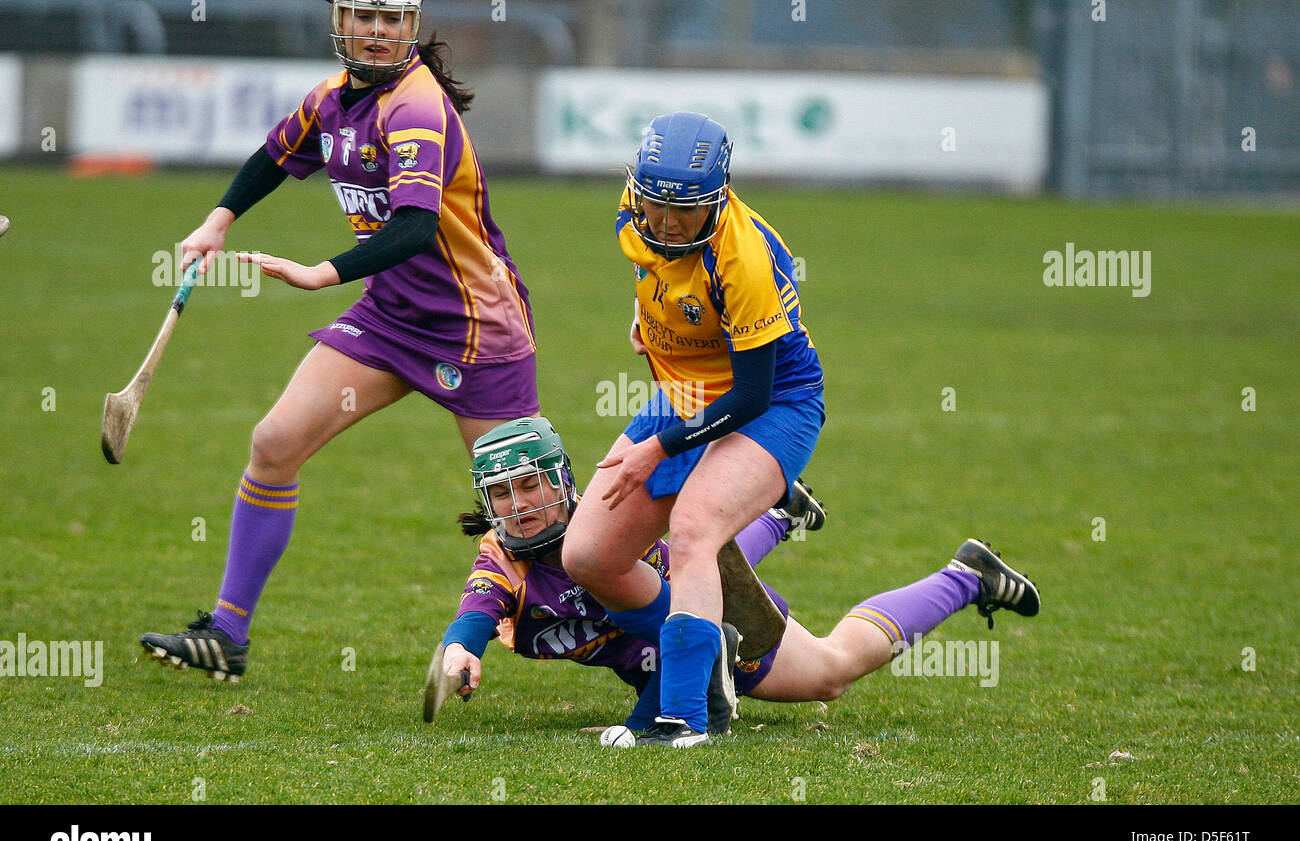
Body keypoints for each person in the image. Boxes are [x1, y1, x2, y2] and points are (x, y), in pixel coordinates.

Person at [140, 0, 538, 681]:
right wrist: (218, 220)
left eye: (392, 18)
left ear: (410, 26)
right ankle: (227, 635)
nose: (378, 30)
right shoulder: (331, 99)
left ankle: (654, 631)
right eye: (364, 15)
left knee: (531, 515)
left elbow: (414, 225)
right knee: (273, 443)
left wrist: (320, 272)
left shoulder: (413, 107)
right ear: (339, 21)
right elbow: (273, 156)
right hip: (388, 317)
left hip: (475, 329)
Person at [439, 418, 1041, 742]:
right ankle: (778, 510)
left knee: (830, 673)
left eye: (530, 484)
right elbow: (478, 606)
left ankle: (966, 575)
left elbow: (684, 645)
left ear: (564, 481)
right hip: (676, 607)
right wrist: (461, 649)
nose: (519, 505)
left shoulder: (603, 543)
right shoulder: (504, 554)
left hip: (706, 622)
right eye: (502, 492)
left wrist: (643, 722)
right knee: (701, 545)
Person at [561, 110, 828, 746]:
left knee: (692, 532)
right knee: (588, 555)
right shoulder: (638, 210)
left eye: (685, 209)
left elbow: (754, 392)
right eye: (655, 204)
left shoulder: (745, 260)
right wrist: (649, 328)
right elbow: (655, 276)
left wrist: (655, 448)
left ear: (719, 194)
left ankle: (682, 716)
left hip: (772, 405)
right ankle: (710, 644)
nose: (665, 222)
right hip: (683, 392)